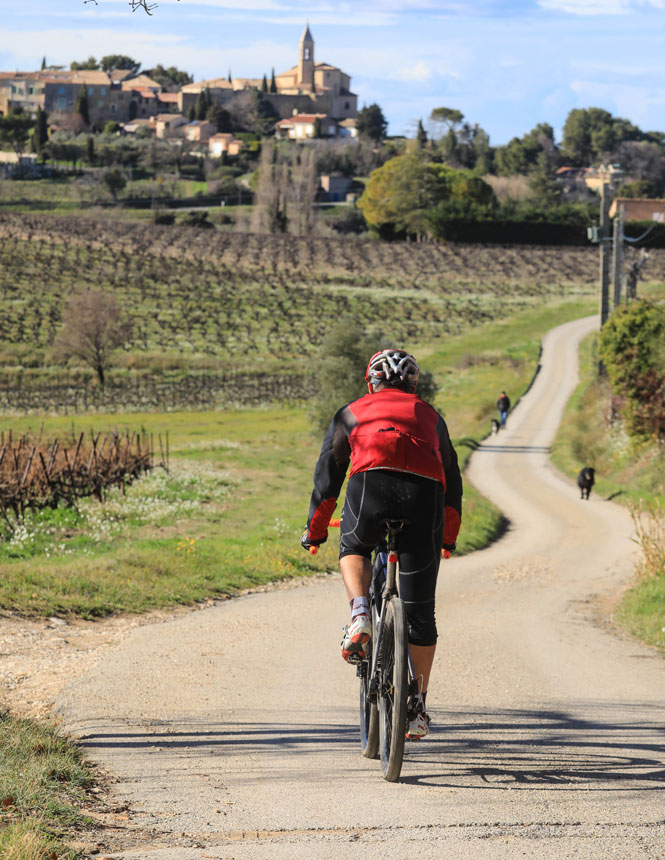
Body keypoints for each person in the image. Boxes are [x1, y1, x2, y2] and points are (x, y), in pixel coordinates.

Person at [300, 349, 462, 740]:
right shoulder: (431, 417)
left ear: (369, 381)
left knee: (354, 547)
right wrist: (447, 538)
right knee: (421, 615)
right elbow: (453, 483)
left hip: (371, 487)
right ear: (413, 385)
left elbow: (328, 479)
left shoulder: (351, 412)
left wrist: (316, 531)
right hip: (425, 499)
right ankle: (417, 706)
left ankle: (360, 615)